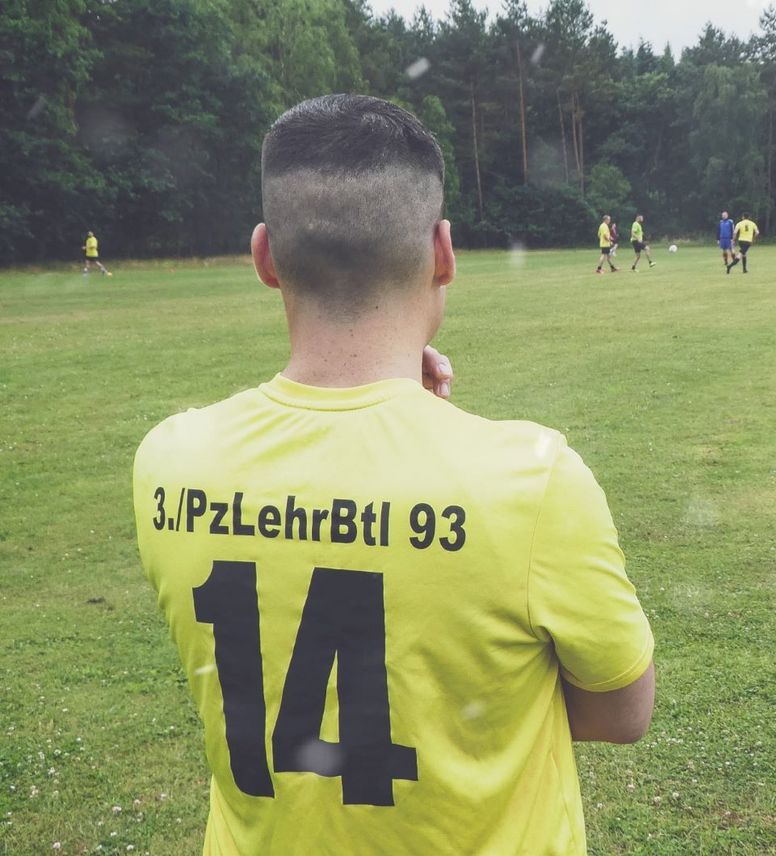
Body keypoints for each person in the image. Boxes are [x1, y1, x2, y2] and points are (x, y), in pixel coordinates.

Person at [133, 94, 654, 855]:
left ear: (265, 258)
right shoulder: (534, 484)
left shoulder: (168, 461)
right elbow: (620, 714)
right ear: (443, 253)